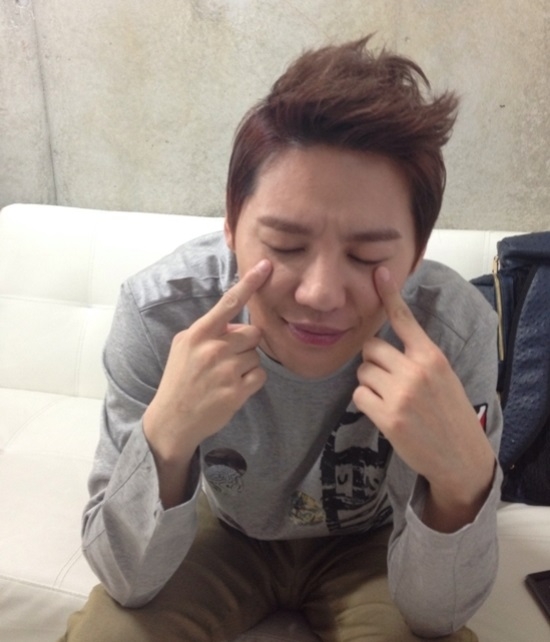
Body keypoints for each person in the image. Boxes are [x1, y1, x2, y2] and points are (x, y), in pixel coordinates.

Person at [61, 36, 502, 642]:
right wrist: (167, 437)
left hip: (377, 540)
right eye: (287, 246)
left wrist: (460, 485)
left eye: (366, 255)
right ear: (231, 223)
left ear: (418, 252)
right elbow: (125, 580)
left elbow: (438, 616)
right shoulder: (163, 315)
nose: (320, 293)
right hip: (223, 528)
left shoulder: (453, 333)